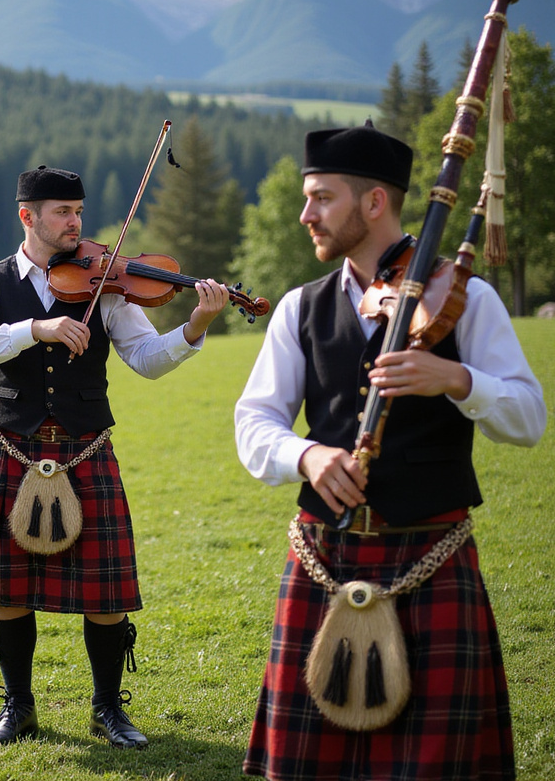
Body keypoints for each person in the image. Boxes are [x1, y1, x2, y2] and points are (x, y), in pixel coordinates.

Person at [234, 125, 546, 781]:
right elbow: (255, 422)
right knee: (306, 765)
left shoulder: (464, 298)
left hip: (431, 558)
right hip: (325, 556)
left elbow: (528, 419)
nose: (305, 214)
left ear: (374, 203)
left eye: (321, 197)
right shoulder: (301, 307)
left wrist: (457, 380)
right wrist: (308, 457)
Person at [0, 165, 230, 750]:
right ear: (28, 216)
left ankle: (107, 710)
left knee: (107, 594)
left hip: (86, 444)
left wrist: (194, 326)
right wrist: (36, 328)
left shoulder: (106, 283)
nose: (76, 224)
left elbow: (145, 357)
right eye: (63, 212)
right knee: (9, 588)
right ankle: (18, 708)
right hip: (11, 446)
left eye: (79, 212)